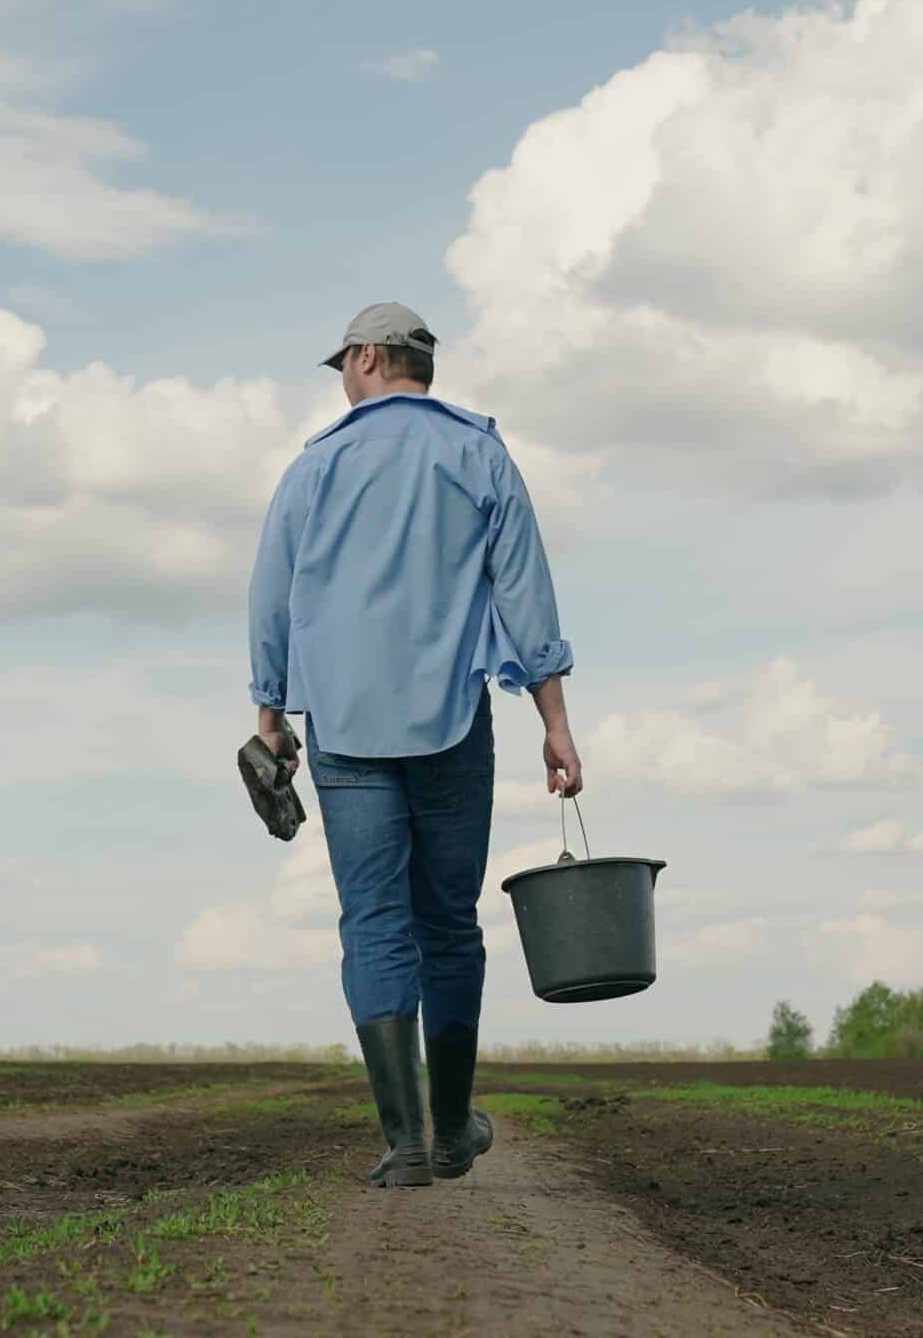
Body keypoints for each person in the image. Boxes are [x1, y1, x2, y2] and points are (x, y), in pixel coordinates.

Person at [245, 300, 584, 1189]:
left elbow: (271, 599)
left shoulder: (313, 469)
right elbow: (527, 596)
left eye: (343, 366)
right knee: (447, 925)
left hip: (345, 735)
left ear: (365, 357)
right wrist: (554, 721)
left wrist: (269, 713)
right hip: (450, 725)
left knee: (375, 926)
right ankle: (450, 1128)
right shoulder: (480, 452)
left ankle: (404, 1144)